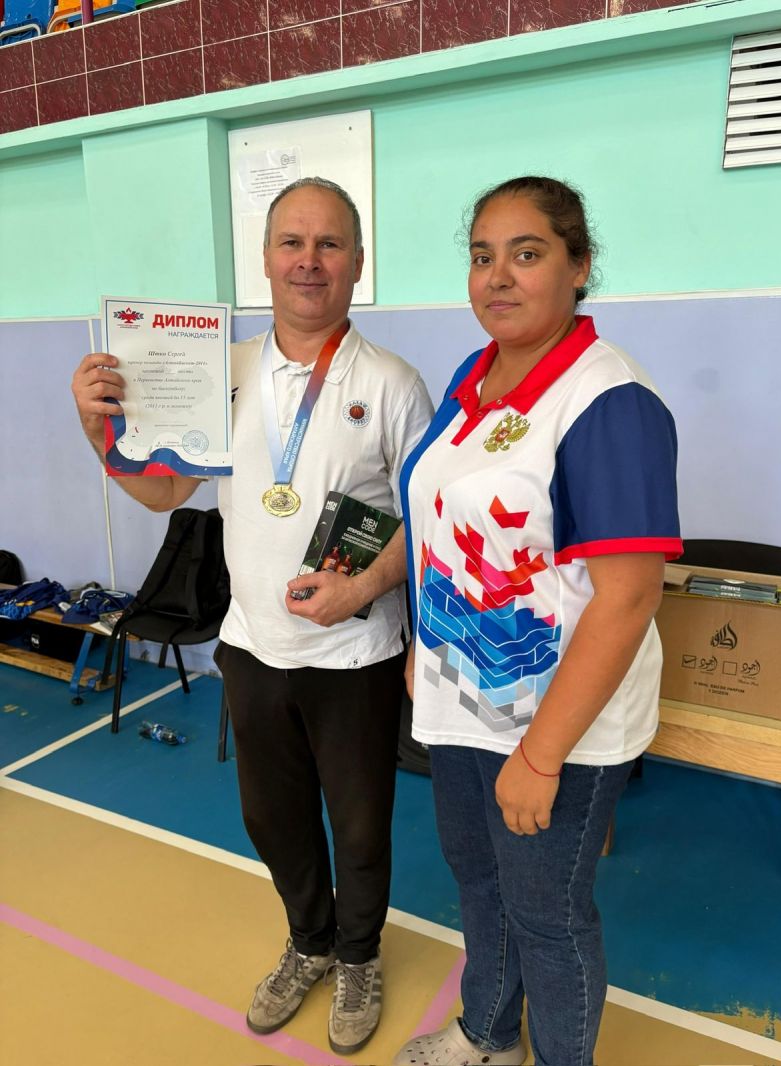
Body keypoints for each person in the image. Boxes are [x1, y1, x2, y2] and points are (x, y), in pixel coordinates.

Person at [71, 177, 433, 1056]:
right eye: (291, 243)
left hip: (355, 654)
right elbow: (164, 492)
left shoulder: (391, 382)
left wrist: (363, 591)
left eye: (330, 243)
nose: (310, 261)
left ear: (357, 262)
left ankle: (360, 957)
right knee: (271, 820)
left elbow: (430, 522)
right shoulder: (219, 371)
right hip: (251, 648)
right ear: (264, 261)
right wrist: (96, 428)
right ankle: (310, 942)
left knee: (360, 827)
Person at [394, 177, 682, 1066]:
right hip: (462, 696)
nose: (498, 277)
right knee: (480, 883)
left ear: (579, 265)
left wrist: (542, 755)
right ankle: (488, 1034)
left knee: (548, 917)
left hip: (557, 722)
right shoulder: (474, 375)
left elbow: (628, 598)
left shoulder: (609, 401)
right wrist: (426, 647)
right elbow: (442, 523)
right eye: (482, 256)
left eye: (527, 254)